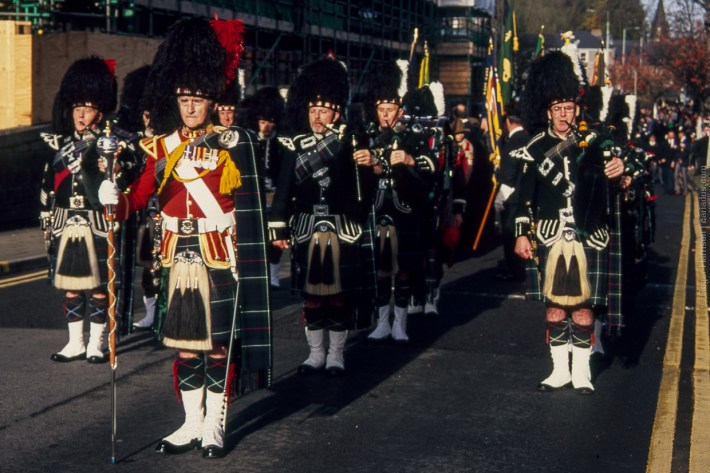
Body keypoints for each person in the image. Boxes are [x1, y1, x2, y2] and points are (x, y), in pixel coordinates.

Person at [98, 17, 272, 458]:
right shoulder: (161, 146)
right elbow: (136, 200)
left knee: (215, 347)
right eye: (185, 99)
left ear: (213, 100)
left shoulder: (234, 142)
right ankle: (190, 422)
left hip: (218, 253)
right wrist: (112, 200)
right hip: (176, 254)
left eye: (198, 99)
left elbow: (248, 206)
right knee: (185, 345)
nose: (191, 107)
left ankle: (215, 423)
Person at [513, 51, 625, 395]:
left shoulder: (597, 138)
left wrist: (622, 169)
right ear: (548, 110)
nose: (564, 115)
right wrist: (521, 234)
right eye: (557, 109)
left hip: (589, 235)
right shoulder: (534, 147)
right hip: (550, 235)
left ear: (577, 108)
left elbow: (630, 169)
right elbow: (523, 196)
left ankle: (582, 373)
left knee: (584, 308)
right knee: (555, 309)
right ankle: (559, 371)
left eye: (569, 108)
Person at [269, 57, 375, 375]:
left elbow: (363, 191)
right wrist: (278, 227)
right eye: (313, 110)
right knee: (312, 299)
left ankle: (336, 355)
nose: (317, 116)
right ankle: (315, 354)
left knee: (339, 298)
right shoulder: (294, 145)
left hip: (342, 230)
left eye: (324, 110)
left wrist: (363, 162)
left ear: (337, 112)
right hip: (306, 229)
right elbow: (284, 189)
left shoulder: (351, 142)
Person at [39, 56, 136, 363]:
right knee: (69, 287)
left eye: (88, 108)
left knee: (96, 286)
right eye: (77, 108)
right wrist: (44, 215)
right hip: (65, 220)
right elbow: (48, 184)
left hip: (95, 219)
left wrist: (116, 168)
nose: (81, 115)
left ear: (100, 110)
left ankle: (96, 343)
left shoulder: (114, 143)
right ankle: (74, 342)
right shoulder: (60, 144)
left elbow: (131, 174)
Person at [363, 63, 440, 342]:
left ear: (399, 111)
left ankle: (400, 323)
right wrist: (368, 166)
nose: (385, 115)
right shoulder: (368, 137)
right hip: (379, 210)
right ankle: (382, 322)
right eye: (381, 110)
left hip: (405, 211)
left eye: (390, 110)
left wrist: (409, 160)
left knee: (404, 271)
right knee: (382, 272)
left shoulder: (414, 136)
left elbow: (432, 165)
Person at [245, 86, 286, 289]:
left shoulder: (281, 143)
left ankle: (274, 274)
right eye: (263, 122)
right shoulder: (250, 141)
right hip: (256, 196)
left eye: (270, 122)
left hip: (274, 196)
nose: (266, 127)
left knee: (275, 239)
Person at [494, 102, 529, 281]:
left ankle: (515, 270)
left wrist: (498, 201)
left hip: (514, 199)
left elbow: (507, 178)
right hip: (529, 197)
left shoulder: (512, 143)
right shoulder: (531, 139)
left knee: (510, 234)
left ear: (508, 121)